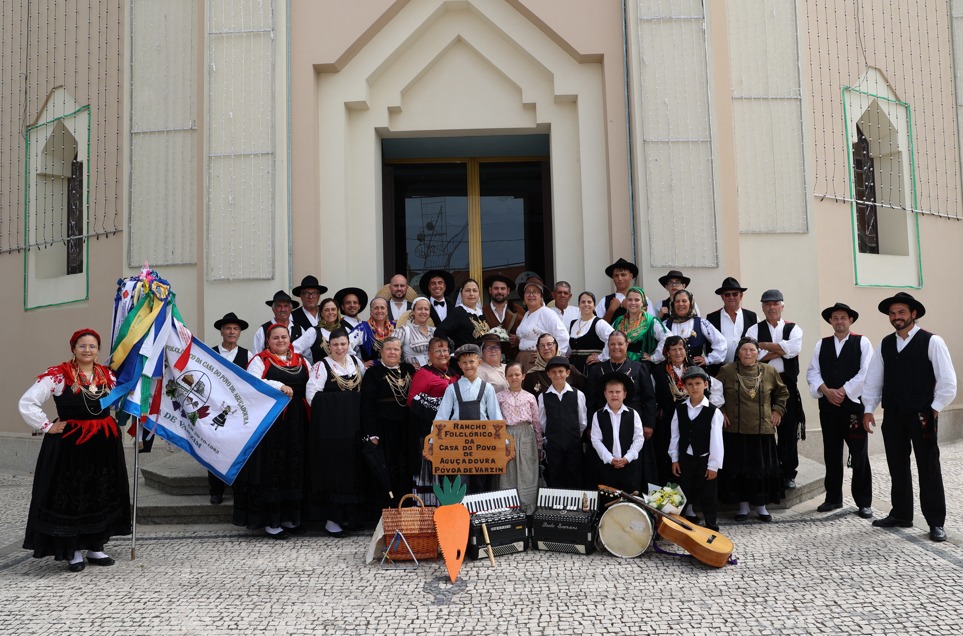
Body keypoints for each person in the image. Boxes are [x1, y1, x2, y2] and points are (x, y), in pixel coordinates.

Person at [18, 329, 131, 572]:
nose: (87, 350)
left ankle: (95, 546)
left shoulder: (107, 376)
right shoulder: (58, 375)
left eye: (92, 346)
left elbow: (121, 399)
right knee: (72, 495)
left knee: (99, 492)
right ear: (74, 348)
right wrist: (47, 426)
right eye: (82, 346)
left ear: (98, 350)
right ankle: (73, 550)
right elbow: (28, 402)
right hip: (71, 445)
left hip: (103, 444)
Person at [863, 292, 957, 543]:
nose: (896, 317)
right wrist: (868, 409)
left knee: (928, 466)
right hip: (893, 415)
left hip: (922, 415)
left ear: (913, 314)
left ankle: (936, 522)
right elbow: (873, 379)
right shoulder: (884, 344)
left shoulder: (931, 341)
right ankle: (902, 513)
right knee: (897, 465)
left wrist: (934, 408)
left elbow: (948, 381)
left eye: (901, 312)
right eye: (893, 313)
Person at [237, 323, 310, 539]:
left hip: (297, 420)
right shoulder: (260, 360)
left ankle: (290, 517)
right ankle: (272, 521)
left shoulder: (301, 360)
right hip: (273, 421)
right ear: (268, 341)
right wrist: (279, 386)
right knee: (274, 467)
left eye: (284, 337)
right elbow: (252, 383)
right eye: (275, 338)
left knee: (294, 466)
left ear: (290, 340)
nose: (280, 341)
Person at [806, 302, 874, 519]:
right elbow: (812, 372)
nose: (839, 321)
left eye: (843, 317)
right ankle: (833, 498)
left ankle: (864, 502)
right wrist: (826, 391)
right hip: (828, 408)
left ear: (850, 320)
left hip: (853, 408)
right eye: (835, 318)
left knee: (859, 454)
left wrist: (843, 390)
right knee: (831, 453)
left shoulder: (862, 342)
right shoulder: (821, 344)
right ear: (830, 321)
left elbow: (866, 372)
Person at [717, 337, 788, 522]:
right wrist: (721, 411)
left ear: (758, 353)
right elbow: (714, 393)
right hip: (735, 429)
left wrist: (778, 411)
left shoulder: (770, 371)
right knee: (739, 469)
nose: (748, 353)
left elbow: (783, 393)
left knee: (760, 469)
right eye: (744, 350)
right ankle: (742, 506)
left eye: (752, 350)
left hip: (762, 430)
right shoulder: (727, 371)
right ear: (738, 352)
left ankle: (761, 507)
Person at [305, 328, 367, 537]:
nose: (339, 348)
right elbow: (312, 396)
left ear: (348, 344)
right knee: (335, 473)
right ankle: (332, 520)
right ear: (328, 346)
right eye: (335, 345)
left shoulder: (356, 363)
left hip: (354, 428)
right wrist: (345, 403)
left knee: (353, 472)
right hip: (332, 430)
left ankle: (352, 517)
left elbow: (363, 391)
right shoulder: (320, 366)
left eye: (343, 344)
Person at [746, 289, 805, 489]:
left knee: (788, 430)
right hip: (761, 385)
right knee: (763, 430)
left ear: (782, 306)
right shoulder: (753, 329)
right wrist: (780, 349)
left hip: (786, 384)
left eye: (775, 303)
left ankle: (789, 473)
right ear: (763, 307)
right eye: (768, 304)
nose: (772, 307)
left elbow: (793, 351)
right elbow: (752, 356)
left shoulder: (794, 328)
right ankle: (769, 471)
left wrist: (764, 346)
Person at [586, 330, 658, 487]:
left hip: (633, 423)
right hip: (604, 423)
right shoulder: (597, 370)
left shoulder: (639, 368)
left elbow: (649, 398)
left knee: (635, 468)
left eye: (620, 344)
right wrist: (591, 425)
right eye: (612, 344)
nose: (616, 347)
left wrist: (648, 424)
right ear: (608, 346)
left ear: (627, 345)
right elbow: (590, 401)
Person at [434, 343, 504, 492]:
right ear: (459, 365)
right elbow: (442, 417)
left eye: (471, 361)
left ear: (479, 362)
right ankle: (462, 514)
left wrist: (503, 442)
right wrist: (433, 441)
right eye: (464, 363)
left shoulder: (488, 388)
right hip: (458, 443)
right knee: (460, 482)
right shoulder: (452, 388)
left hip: (483, 442)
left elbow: (495, 416)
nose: (468, 365)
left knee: (481, 482)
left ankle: (479, 514)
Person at [360, 337, 415, 508]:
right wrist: (371, 433)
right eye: (389, 349)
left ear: (401, 352)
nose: (392, 352)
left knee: (404, 466)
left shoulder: (409, 369)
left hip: (405, 426)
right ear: (381, 352)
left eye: (396, 349)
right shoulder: (373, 373)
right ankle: (387, 509)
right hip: (383, 426)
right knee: (386, 467)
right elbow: (367, 405)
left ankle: (405, 507)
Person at [669, 366, 724, 532]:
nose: (694, 387)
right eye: (690, 384)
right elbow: (675, 436)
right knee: (683, 492)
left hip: (705, 458)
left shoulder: (713, 412)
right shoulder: (680, 409)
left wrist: (713, 465)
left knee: (708, 495)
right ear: (685, 387)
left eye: (698, 383)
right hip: (686, 457)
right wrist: (675, 458)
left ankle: (711, 526)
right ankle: (678, 526)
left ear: (705, 385)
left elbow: (717, 441)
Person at [407, 337, 459, 505]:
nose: (442, 354)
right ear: (429, 354)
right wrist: (440, 409)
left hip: (453, 434)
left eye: (445, 350)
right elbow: (412, 401)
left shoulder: (454, 373)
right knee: (431, 476)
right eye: (437, 350)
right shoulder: (423, 373)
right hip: (429, 432)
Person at [208, 312, 251, 504]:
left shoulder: (247, 355)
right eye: (228, 328)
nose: (232, 332)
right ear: (221, 331)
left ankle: (237, 487)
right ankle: (215, 490)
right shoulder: (210, 353)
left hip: (237, 412)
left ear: (239, 332)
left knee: (237, 448)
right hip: (215, 410)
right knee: (213, 448)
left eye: (235, 329)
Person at [496, 361, 542, 514]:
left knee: (527, 471)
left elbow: (536, 422)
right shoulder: (499, 397)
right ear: (505, 377)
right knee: (508, 472)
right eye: (510, 375)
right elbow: (495, 420)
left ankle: (528, 509)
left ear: (523, 376)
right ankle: (509, 510)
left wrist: (539, 445)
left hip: (526, 436)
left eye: (517, 374)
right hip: (507, 435)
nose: (514, 377)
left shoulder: (530, 397)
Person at [590, 372, 644, 495]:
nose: (614, 395)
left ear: (624, 394)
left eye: (618, 392)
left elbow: (639, 438)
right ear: (605, 394)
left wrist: (628, 457)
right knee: (609, 499)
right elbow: (596, 440)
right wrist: (610, 458)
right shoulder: (598, 415)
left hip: (629, 467)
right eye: (610, 392)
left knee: (630, 500)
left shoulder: (633, 414)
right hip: (607, 468)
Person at [538, 356, 587, 489]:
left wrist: (572, 436)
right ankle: (557, 507)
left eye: (561, 371)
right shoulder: (543, 396)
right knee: (555, 476)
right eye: (553, 372)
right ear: (548, 374)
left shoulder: (578, 395)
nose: (557, 375)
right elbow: (542, 422)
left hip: (573, 445)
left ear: (568, 373)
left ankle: (575, 506)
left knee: (574, 475)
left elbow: (582, 422)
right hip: (553, 446)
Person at [652, 289, 726, 369]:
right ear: (673, 304)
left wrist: (708, 359)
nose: (680, 304)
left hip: (695, 374)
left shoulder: (701, 323)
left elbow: (721, 343)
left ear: (690, 303)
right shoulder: (665, 324)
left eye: (684, 301)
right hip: (670, 372)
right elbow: (652, 343)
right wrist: (653, 357)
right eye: (677, 301)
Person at [706, 277, 758, 376]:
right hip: (719, 370)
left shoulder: (752, 316)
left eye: (735, 294)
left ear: (741, 296)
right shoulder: (711, 318)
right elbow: (707, 344)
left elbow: (757, 342)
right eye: (727, 294)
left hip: (746, 370)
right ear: (722, 297)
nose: (731, 297)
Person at [515, 276, 569, 371]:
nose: (531, 295)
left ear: (541, 296)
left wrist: (552, 357)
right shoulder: (527, 314)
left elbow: (563, 335)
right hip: (522, 360)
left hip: (537, 363)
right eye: (528, 292)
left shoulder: (546, 313)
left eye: (535, 292)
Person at [523, 333, 586, 398]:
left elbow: (586, 388)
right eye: (542, 345)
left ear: (556, 346)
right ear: (538, 349)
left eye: (549, 344)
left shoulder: (568, 368)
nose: (546, 348)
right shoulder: (532, 374)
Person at [611, 287, 665, 362]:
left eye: (637, 300)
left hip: (640, 365)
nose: (633, 303)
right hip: (620, 363)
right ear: (626, 301)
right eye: (630, 300)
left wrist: (654, 357)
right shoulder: (618, 320)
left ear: (643, 302)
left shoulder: (651, 321)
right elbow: (609, 340)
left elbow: (667, 338)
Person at [251, 290, 312, 356]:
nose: (282, 309)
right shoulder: (263, 330)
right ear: (273, 309)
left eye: (286, 306)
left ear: (290, 309)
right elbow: (256, 356)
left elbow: (307, 355)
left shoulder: (299, 329)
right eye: (279, 306)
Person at [436, 278, 490, 351]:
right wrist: (450, 351)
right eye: (467, 290)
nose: (471, 294)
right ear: (461, 294)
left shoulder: (481, 314)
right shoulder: (457, 312)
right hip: (465, 359)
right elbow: (439, 332)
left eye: (474, 291)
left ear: (478, 294)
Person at [567, 291, 613, 374]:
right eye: (583, 302)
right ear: (579, 305)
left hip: (592, 369)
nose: (586, 304)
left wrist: (601, 357)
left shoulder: (599, 323)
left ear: (594, 305)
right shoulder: (573, 323)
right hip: (574, 369)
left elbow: (613, 338)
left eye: (589, 302)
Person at [598, 257, 648, 323]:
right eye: (616, 276)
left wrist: (630, 308)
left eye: (623, 275)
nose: (620, 278)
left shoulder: (642, 298)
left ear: (631, 276)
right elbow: (597, 327)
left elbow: (649, 323)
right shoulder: (605, 301)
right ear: (613, 278)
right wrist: (611, 310)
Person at [482, 273, 521, 356]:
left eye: (502, 289)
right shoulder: (482, 312)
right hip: (490, 360)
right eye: (496, 288)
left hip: (515, 360)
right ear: (490, 290)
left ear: (508, 290)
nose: (499, 291)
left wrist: (520, 341)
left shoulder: (518, 310)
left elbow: (528, 334)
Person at [395, 297, 435, 368]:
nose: (423, 312)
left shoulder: (434, 331)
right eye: (420, 309)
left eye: (426, 309)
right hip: (413, 375)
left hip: (433, 373)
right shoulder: (404, 331)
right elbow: (391, 351)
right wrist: (406, 367)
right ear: (413, 312)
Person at [355, 297, 396, 366]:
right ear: (371, 311)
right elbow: (346, 346)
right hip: (372, 372)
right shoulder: (362, 328)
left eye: (382, 308)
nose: (379, 311)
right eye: (376, 308)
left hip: (393, 369)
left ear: (387, 311)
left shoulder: (394, 327)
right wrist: (360, 363)